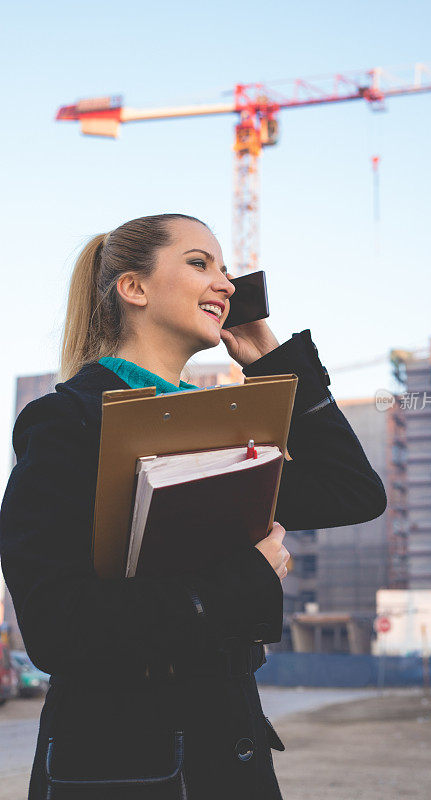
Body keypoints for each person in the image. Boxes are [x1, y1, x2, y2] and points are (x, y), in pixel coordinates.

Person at [0, 213, 387, 799]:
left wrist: (274, 361)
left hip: (229, 753)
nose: (227, 284)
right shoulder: (69, 423)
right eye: (200, 263)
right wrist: (243, 581)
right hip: (124, 767)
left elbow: (353, 491)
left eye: (227, 270)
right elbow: (56, 628)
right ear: (134, 288)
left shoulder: (223, 432)